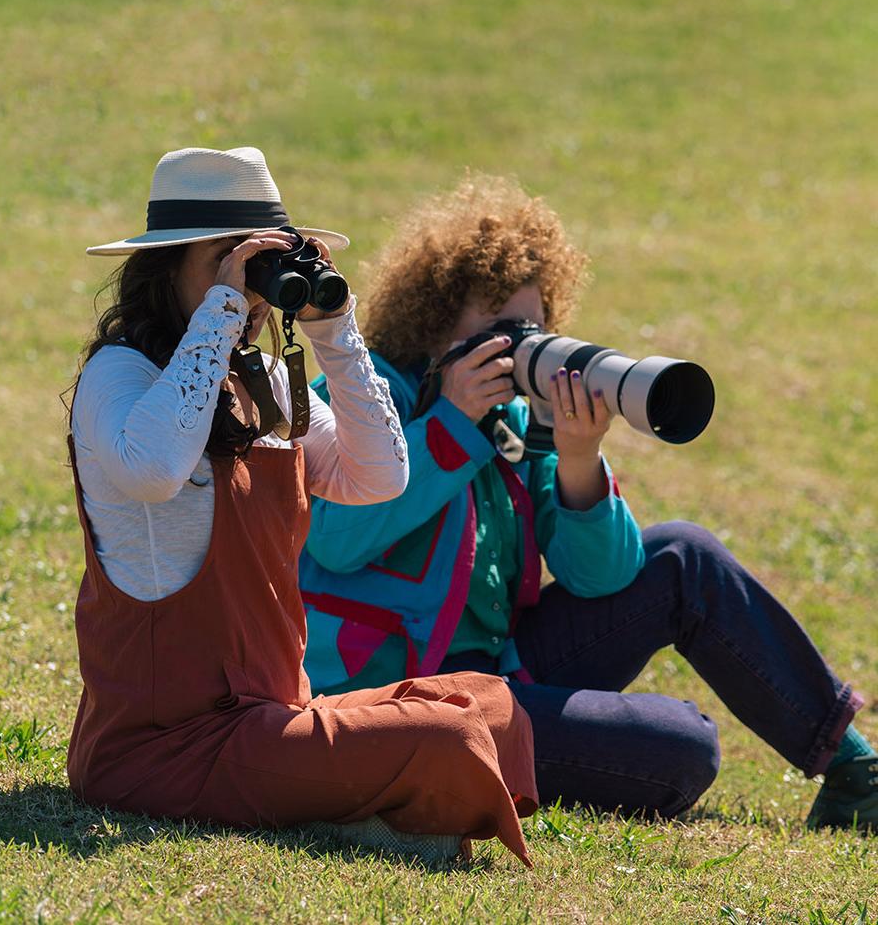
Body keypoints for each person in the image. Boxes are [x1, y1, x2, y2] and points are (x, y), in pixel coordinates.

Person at [299, 173, 877, 831]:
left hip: (503, 669)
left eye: (534, 326)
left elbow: (603, 578)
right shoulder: (363, 394)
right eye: (503, 327)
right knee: (683, 747)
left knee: (683, 556)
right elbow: (334, 539)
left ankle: (857, 771)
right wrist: (452, 427)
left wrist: (577, 459)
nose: (523, 344)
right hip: (398, 702)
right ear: (435, 322)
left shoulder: (515, 420)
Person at [64, 148, 538, 865]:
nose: (252, 293)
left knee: (491, 707)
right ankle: (342, 806)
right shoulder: (119, 376)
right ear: (169, 268)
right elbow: (156, 469)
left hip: (273, 717)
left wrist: (333, 327)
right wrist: (226, 307)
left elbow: (378, 477)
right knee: (446, 740)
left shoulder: (254, 381)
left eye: (258, 267)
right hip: (163, 747)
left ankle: (330, 801)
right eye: (227, 261)